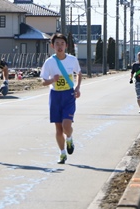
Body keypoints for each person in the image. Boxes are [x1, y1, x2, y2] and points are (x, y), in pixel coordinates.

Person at [40, 33, 82, 164]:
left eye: (62, 44)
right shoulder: (49, 62)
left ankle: (69, 138)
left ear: (66, 46)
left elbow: (79, 73)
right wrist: (53, 80)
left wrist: (77, 87)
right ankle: (62, 153)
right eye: (57, 44)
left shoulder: (72, 60)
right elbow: (43, 81)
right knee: (58, 128)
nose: (60, 46)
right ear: (52, 46)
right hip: (55, 96)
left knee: (66, 125)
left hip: (68, 95)